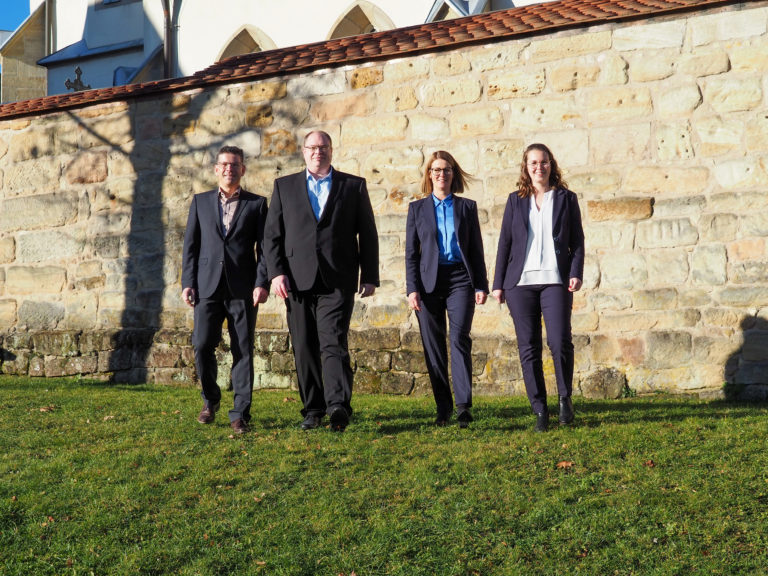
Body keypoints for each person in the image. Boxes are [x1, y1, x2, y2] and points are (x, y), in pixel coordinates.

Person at [263, 130, 379, 432]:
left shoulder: (353, 186)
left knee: (333, 341)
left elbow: (367, 233)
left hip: (337, 278)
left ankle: (338, 405)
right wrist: (275, 273)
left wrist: (369, 275)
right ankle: (313, 409)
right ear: (303, 152)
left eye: (324, 147)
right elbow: (271, 236)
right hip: (295, 280)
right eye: (313, 148)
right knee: (303, 346)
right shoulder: (284, 186)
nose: (318, 152)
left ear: (331, 150)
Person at [492, 143, 585, 432]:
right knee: (528, 347)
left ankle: (564, 400)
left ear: (551, 164)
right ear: (526, 167)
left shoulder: (567, 199)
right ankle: (540, 409)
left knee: (559, 342)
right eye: (533, 163)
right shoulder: (515, 200)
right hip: (520, 283)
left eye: (543, 162)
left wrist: (576, 272)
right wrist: (498, 284)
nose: (538, 167)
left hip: (555, 280)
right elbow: (505, 242)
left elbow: (578, 241)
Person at [181, 145, 269, 435]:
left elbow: (265, 250)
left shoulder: (257, 204)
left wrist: (261, 282)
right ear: (216, 169)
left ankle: (240, 413)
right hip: (207, 286)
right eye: (224, 164)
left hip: (243, 288)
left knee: (243, 349)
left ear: (242, 169)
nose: (229, 169)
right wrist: (187, 282)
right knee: (202, 344)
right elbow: (191, 247)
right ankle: (211, 400)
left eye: (235, 164)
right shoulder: (201, 202)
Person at [406, 151, 488, 428]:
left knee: (459, 339)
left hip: (460, 280)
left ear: (454, 173)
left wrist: (481, 284)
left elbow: (476, 249)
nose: (442, 174)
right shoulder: (417, 209)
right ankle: (443, 407)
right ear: (429, 175)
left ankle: (464, 406)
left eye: (447, 169)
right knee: (434, 346)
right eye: (437, 170)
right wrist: (411, 289)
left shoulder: (466, 208)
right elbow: (411, 254)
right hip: (428, 283)